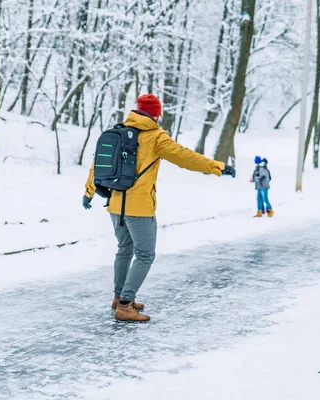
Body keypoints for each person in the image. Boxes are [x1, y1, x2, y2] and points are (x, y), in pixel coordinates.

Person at [82, 94, 236, 322]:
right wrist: (217, 167)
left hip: (115, 203)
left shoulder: (118, 132)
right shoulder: (156, 137)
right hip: (140, 208)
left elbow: (98, 164)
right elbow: (186, 158)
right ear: (156, 114)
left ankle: (118, 298)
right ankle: (125, 305)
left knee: (124, 249)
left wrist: (88, 192)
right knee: (145, 255)